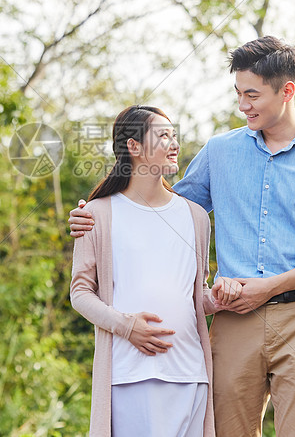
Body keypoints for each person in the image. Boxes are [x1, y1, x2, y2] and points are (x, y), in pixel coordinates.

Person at [69, 36, 295, 437]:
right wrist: (94, 214)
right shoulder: (220, 150)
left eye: (252, 95)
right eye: (239, 93)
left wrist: (269, 286)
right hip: (232, 318)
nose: (243, 105)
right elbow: (162, 209)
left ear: (287, 90)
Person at [69, 105, 241, 437]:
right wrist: (125, 326)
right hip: (131, 373)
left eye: (174, 135)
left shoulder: (195, 216)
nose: (174, 143)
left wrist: (217, 298)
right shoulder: (97, 214)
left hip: (191, 373)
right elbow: (79, 293)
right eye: (163, 136)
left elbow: (194, 295)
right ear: (133, 147)